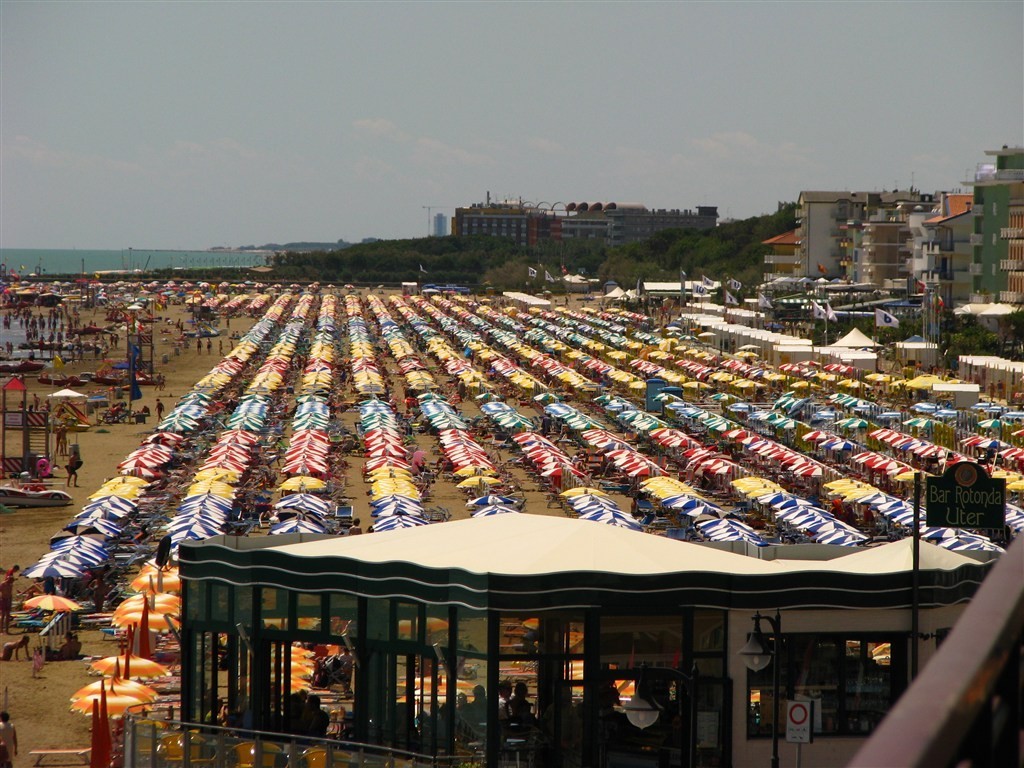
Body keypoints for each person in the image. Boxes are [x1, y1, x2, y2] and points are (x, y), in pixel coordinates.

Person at [0, 567, 17, 634]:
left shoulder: (10, 585)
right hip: (3, 599)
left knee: (7, 615)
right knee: (3, 615)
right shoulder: (3, 584)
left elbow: (10, 593)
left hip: (8, 600)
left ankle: (7, 630)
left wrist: (10, 600)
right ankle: (1, 630)